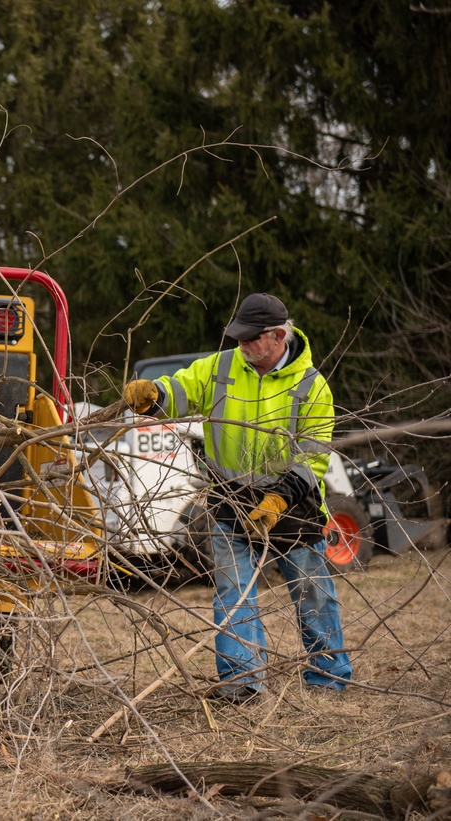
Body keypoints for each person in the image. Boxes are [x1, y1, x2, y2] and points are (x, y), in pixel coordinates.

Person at [122, 293, 352, 703]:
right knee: (234, 591)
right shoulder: (223, 365)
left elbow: (313, 458)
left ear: (278, 335)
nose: (243, 345)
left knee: (311, 591)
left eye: (251, 339)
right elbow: (183, 387)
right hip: (230, 498)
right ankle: (241, 683)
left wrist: (279, 501)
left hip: (291, 503)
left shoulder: (313, 387)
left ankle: (330, 676)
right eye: (239, 337)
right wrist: (154, 393)